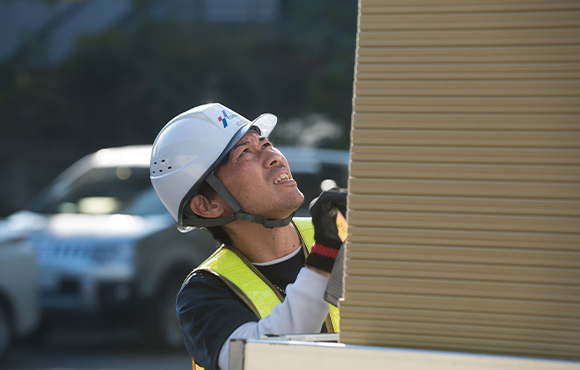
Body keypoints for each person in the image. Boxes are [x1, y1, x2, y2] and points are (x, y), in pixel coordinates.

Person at [150, 103, 347, 370]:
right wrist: (325, 258)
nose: (274, 157)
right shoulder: (202, 295)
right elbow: (257, 359)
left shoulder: (339, 235)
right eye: (245, 152)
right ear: (207, 206)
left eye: (265, 144)